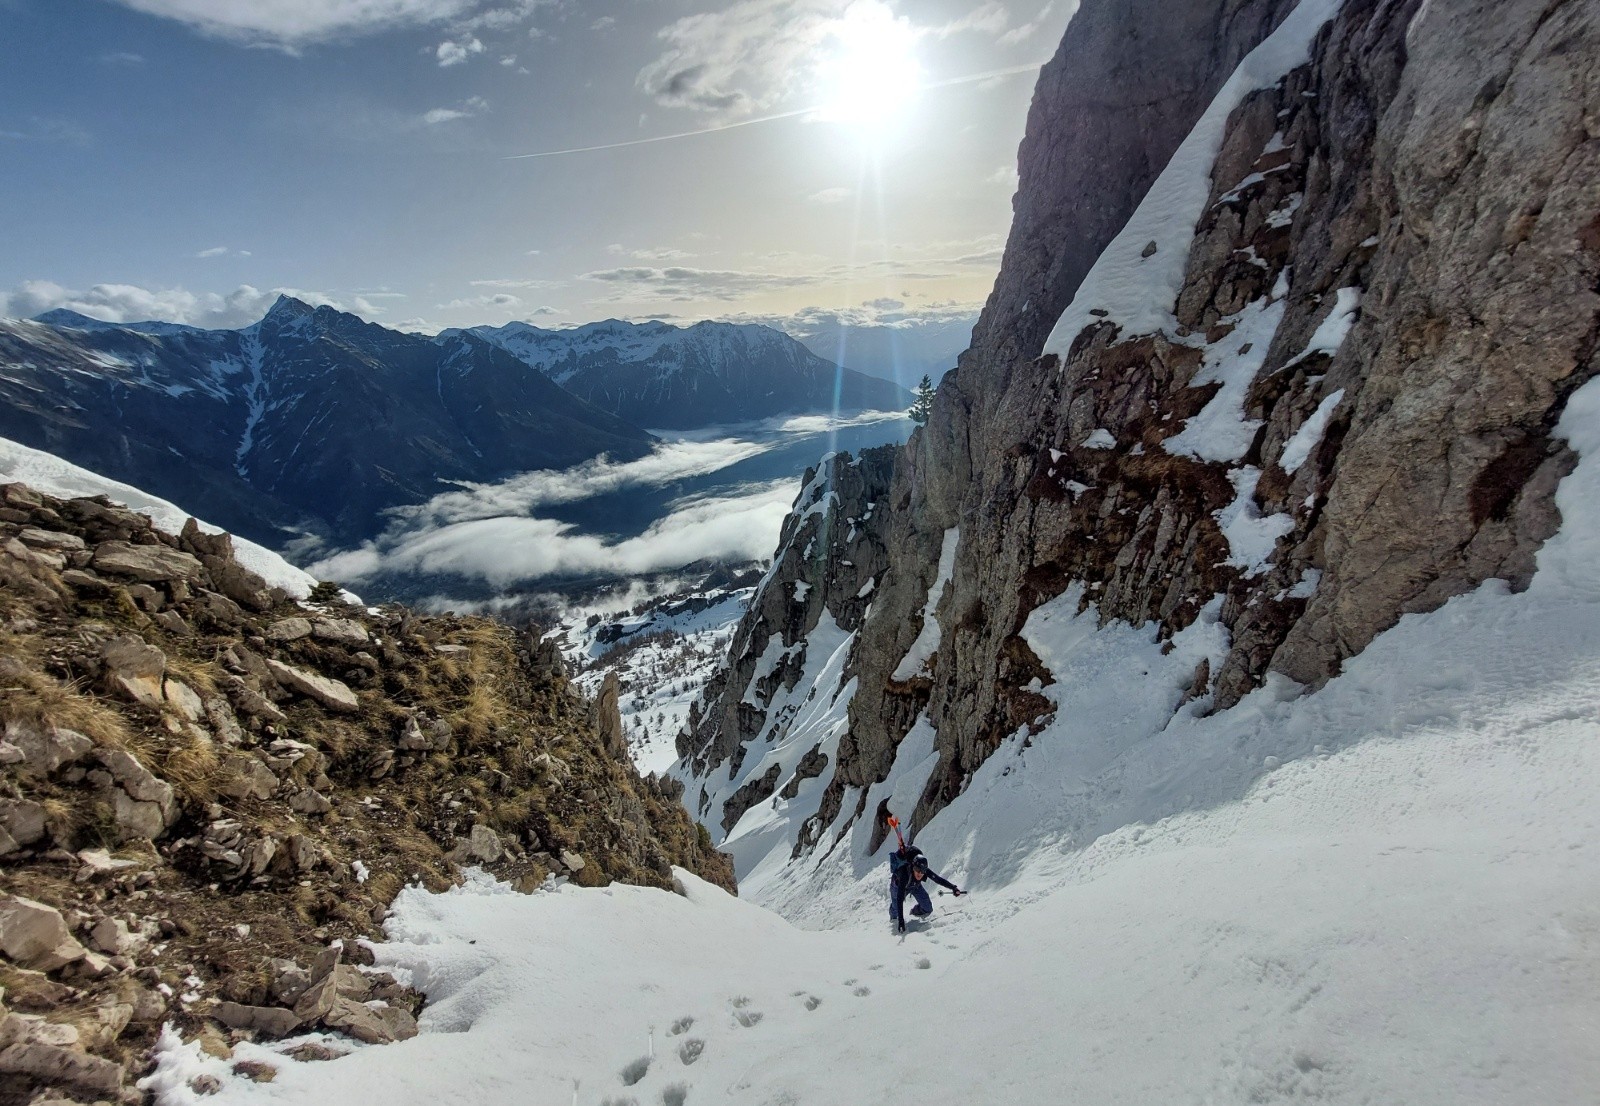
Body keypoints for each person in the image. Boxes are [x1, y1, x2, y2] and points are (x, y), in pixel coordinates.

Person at [888, 842, 964, 932]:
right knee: (896, 908)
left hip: (915, 886)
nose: (920, 873)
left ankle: (914, 911)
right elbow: (900, 897)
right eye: (917, 870)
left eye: (922, 871)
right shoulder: (904, 874)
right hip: (897, 886)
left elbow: (938, 879)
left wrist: (953, 888)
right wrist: (900, 920)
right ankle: (893, 916)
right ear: (913, 867)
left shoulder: (923, 869)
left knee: (927, 908)